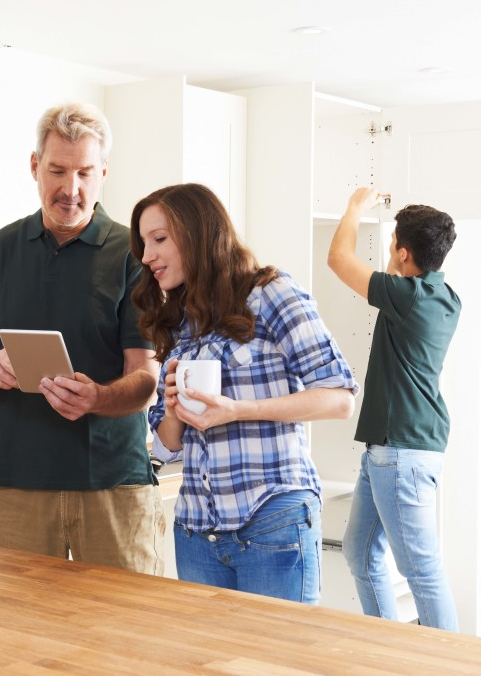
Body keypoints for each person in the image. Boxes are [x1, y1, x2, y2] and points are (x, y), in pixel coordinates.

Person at [0, 102, 165, 574]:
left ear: (104, 172)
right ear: (35, 167)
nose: (71, 190)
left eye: (86, 173)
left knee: (126, 632)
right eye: (57, 171)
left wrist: (97, 398)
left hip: (114, 483)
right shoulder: (1, 250)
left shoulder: (132, 253)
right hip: (19, 484)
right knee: (22, 636)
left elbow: (146, 377)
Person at [129, 182, 358, 604]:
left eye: (159, 239)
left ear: (197, 233)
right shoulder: (178, 320)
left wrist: (237, 410)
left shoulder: (270, 292)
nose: (147, 257)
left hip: (272, 520)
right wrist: (176, 409)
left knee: (276, 664)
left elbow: (339, 397)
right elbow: (165, 448)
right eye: (144, 244)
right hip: (197, 532)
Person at [328, 187, 461, 631]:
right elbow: (394, 275)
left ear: (403, 253)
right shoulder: (443, 297)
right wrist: (397, 252)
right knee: (360, 553)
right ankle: (390, 645)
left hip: (400, 451)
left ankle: (447, 661)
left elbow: (338, 260)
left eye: (393, 247)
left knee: (422, 570)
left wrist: (354, 208)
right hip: (395, 447)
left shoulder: (407, 296)